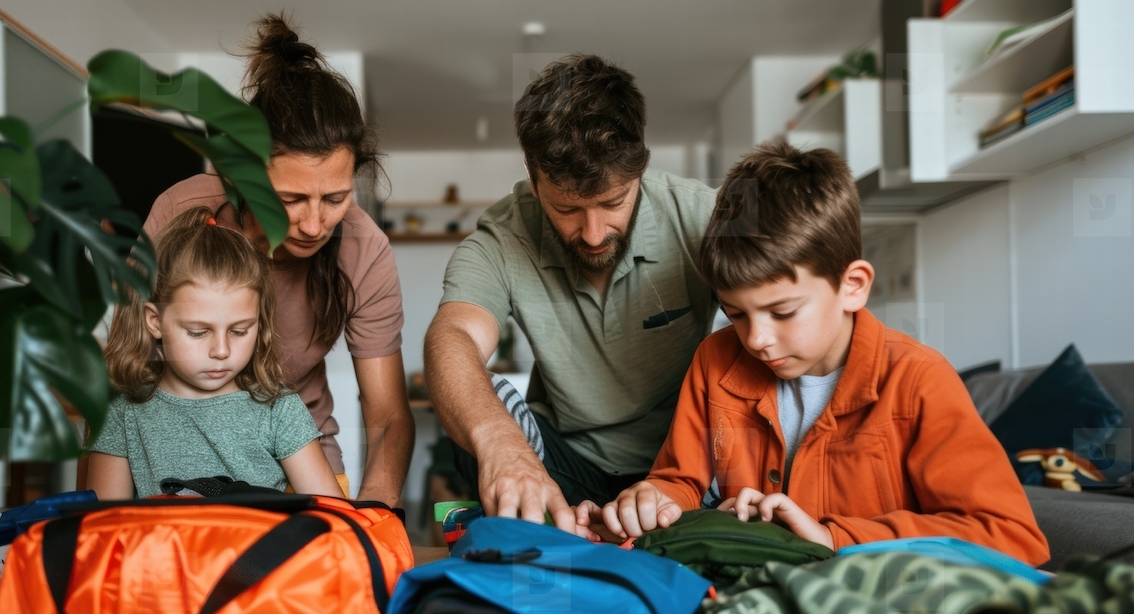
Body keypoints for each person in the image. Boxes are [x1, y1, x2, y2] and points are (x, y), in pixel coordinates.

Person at [579, 141, 1050, 566]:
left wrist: (833, 537)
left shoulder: (918, 379)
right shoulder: (714, 360)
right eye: (735, 313)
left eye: (782, 312)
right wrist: (650, 498)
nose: (756, 339)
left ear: (853, 286)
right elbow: (680, 479)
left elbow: (1012, 536)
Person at [424, 54, 718, 533]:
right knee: (473, 410)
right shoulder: (504, 235)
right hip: (565, 469)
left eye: (613, 202)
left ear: (641, 167)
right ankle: (555, 529)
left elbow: (780, 315)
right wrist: (501, 443)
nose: (595, 233)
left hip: (681, 468)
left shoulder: (700, 215)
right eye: (568, 208)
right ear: (533, 176)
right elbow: (452, 335)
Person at [145, 14, 411, 506]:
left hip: (302, 466)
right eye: (289, 199)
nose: (314, 225)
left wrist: (375, 517)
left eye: (335, 198)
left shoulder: (363, 248)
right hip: (176, 464)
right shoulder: (181, 213)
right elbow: (129, 368)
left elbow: (390, 415)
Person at [87, 208, 346, 500]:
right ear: (154, 321)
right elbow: (100, 528)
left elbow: (334, 520)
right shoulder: (122, 412)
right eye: (198, 332)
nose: (221, 351)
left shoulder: (279, 410)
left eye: (239, 331)